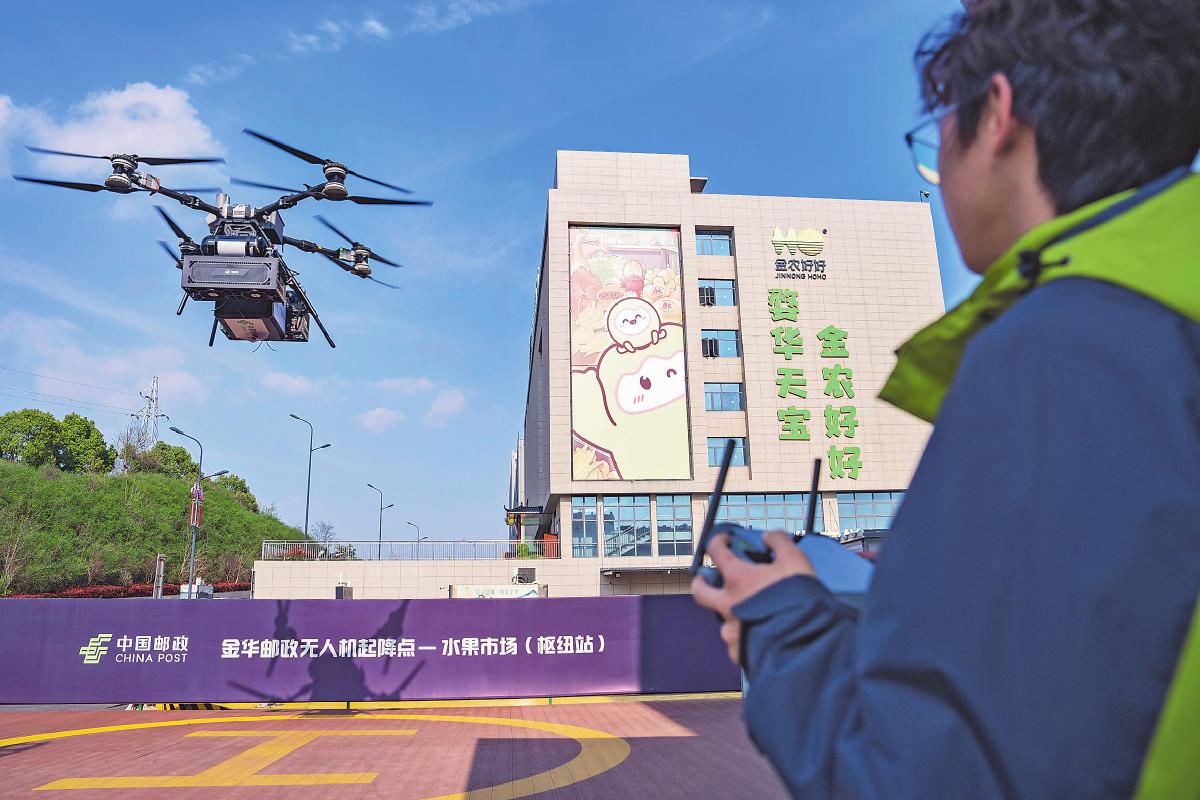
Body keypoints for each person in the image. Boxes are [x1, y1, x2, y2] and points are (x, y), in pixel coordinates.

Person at [692, 1, 1200, 797]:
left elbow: (938, 775)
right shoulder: (1163, 312)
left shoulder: (1063, 343)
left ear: (997, 114)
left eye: (935, 145)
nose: (939, 183)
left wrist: (782, 624)